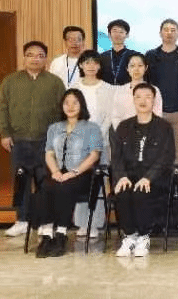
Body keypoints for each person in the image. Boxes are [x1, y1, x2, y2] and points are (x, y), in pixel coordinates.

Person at [0, 41, 65, 237]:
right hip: (18, 140)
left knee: (45, 182)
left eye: (40, 55)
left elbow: (62, 110)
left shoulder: (54, 82)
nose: (35, 59)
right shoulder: (10, 81)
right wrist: (5, 133)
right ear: (24, 57)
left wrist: (58, 137)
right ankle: (22, 221)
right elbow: (1, 107)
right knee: (21, 182)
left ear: (46, 59)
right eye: (31, 55)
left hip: (46, 141)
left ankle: (45, 221)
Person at [34, 89, 103, 257]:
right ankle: (47, 234)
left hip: (82, 174)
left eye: (75, 103)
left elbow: (94, 155)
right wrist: (55, 171)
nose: (70, 106)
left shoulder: (91, 128)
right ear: (62, 106)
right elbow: (49, 153)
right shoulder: (54, 128)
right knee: (45, 186)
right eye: (66, 103)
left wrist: (73, 172)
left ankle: (61, 234)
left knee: (65, 187)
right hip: (59, 172)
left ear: (81, 105)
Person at [112, 83, 175, 257]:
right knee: (123, 191)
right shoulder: (124, 127)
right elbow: (116, 157)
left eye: (148, 97)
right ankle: (129, 236)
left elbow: (166, 157)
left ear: (154, 101)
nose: (143, 101)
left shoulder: (164, 127)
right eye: (138, 97)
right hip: (129, 175)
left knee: (141, 191)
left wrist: (148, 177)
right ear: (133, 100)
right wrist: (121, 176)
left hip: (155, 178)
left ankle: (143, 236)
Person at [69, 50, 115, 237]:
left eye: (95, 63)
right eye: (86, 62)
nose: (91, 66)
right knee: (80, 181)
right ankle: (81, 223)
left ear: (99, 66)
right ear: (81, 65)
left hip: (100, 141)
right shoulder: (73, 87)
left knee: (98, 182)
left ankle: (95, 224)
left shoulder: (108, 88)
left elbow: (110, 116)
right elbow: (69, 112)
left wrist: (96, 135)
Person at [145, 19, 178, 166]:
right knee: (156, 154)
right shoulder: (150, 55)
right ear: (160, 33)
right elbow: (145, 84)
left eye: (173, 30)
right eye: (166, 29)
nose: (169, 33)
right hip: (156, 113)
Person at [110, 52, 164, 129]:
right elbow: (115, 116)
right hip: (125, 133)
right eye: (132, 66)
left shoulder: (154, 90)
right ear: (127, 69)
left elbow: (158, 115)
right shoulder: (119, 91)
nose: (136, 69)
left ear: (146, 68)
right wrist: (122, 133)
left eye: (140, 65)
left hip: (149, 133)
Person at [100, 19, 137, 86]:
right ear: (109, 34)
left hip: (128, 91)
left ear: (127, 35)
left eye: (121, 32)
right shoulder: (102, 57)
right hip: (106, 91)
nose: (117, 34)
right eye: (114, 31)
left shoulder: (134, 56)